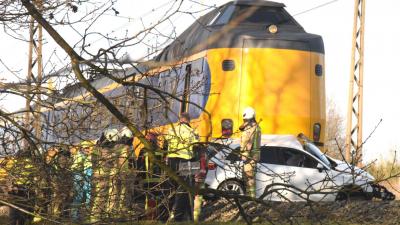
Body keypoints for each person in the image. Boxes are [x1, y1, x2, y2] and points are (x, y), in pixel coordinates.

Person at [165, 112, 198, 222]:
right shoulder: (191, 131)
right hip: (186, 161)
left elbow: (166, 145)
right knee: (185, 189)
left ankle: (168, 213)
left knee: (172, 187)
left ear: (180, 120)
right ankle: (181, 216)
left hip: (171, 162)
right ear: (188, 121)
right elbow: (196, 147)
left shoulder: (171, 130)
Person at [239, 107, 261, 198]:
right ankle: (251, 197)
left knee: (249, 179)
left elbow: (247, 143)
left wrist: (244, 156)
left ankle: (251, 198)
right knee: (249, 179)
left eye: (245, 119)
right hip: (254, 156)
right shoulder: (257, 127)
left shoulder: (250, 129)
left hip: (249, 157)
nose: (244, 121)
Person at [71, 141, 94, 221]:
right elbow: (76, 167)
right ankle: (74, 216)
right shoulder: (81, 156)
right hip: (78, 175)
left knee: (86, 196)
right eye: (86, 148)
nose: (88, 150)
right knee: (78, 196)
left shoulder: (85, 156)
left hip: (84, 175)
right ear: (82, 148)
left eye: (89, 148)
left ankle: (84, 215)